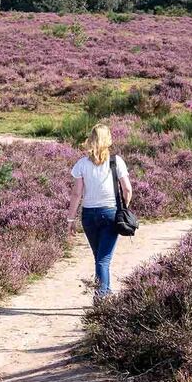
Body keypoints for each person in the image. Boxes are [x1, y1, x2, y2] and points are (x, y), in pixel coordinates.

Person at [66, 124, 133, 296]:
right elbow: (127, 189)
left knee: (100, 258)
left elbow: (76, 194)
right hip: (110, 213)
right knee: (103, 259)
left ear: (91, 139)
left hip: (88, 216)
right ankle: (101, 297)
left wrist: (70, 220)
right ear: (108, 139)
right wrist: (124, 208)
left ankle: (106, 290)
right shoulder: (117, 161)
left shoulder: (81, 164)